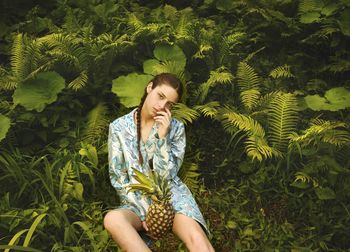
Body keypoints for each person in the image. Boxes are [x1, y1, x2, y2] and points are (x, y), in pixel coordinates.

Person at [103, 73, 214, 251]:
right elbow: (119, 178)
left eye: (169, 104)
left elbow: (166, 176)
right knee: (112, 219)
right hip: (136, 203)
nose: (162, 106)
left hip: (171, 198)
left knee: (199, 242)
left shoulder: (176, 128)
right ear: (149, 88)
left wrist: (162, 137)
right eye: (160, 96)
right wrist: (147, 212)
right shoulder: (118, 128)